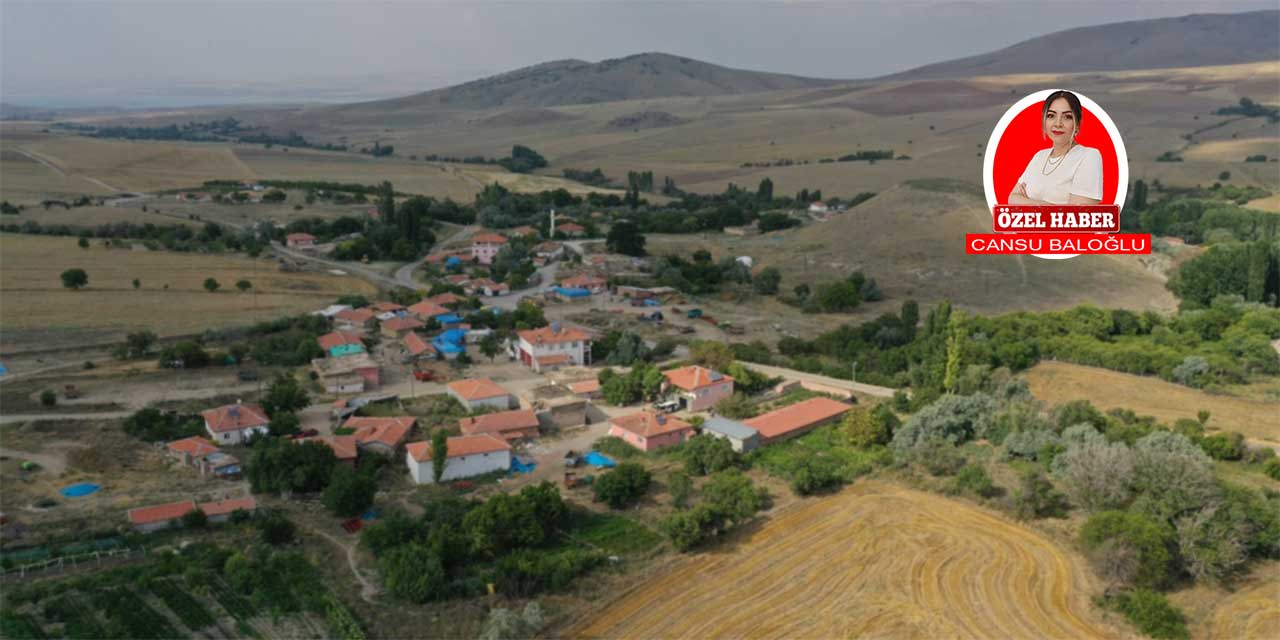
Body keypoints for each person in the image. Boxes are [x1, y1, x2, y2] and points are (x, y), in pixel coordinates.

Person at [1007, 90, 1103, 205]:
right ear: (1044, 121)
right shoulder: (1039, 156)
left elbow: (1078, 216)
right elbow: (1012, 198)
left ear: (1077, 123)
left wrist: (1028, 202)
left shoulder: (1088, 156)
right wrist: (1043, 205)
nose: (1058, 123)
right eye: (1051, 116)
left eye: (1067, 117)